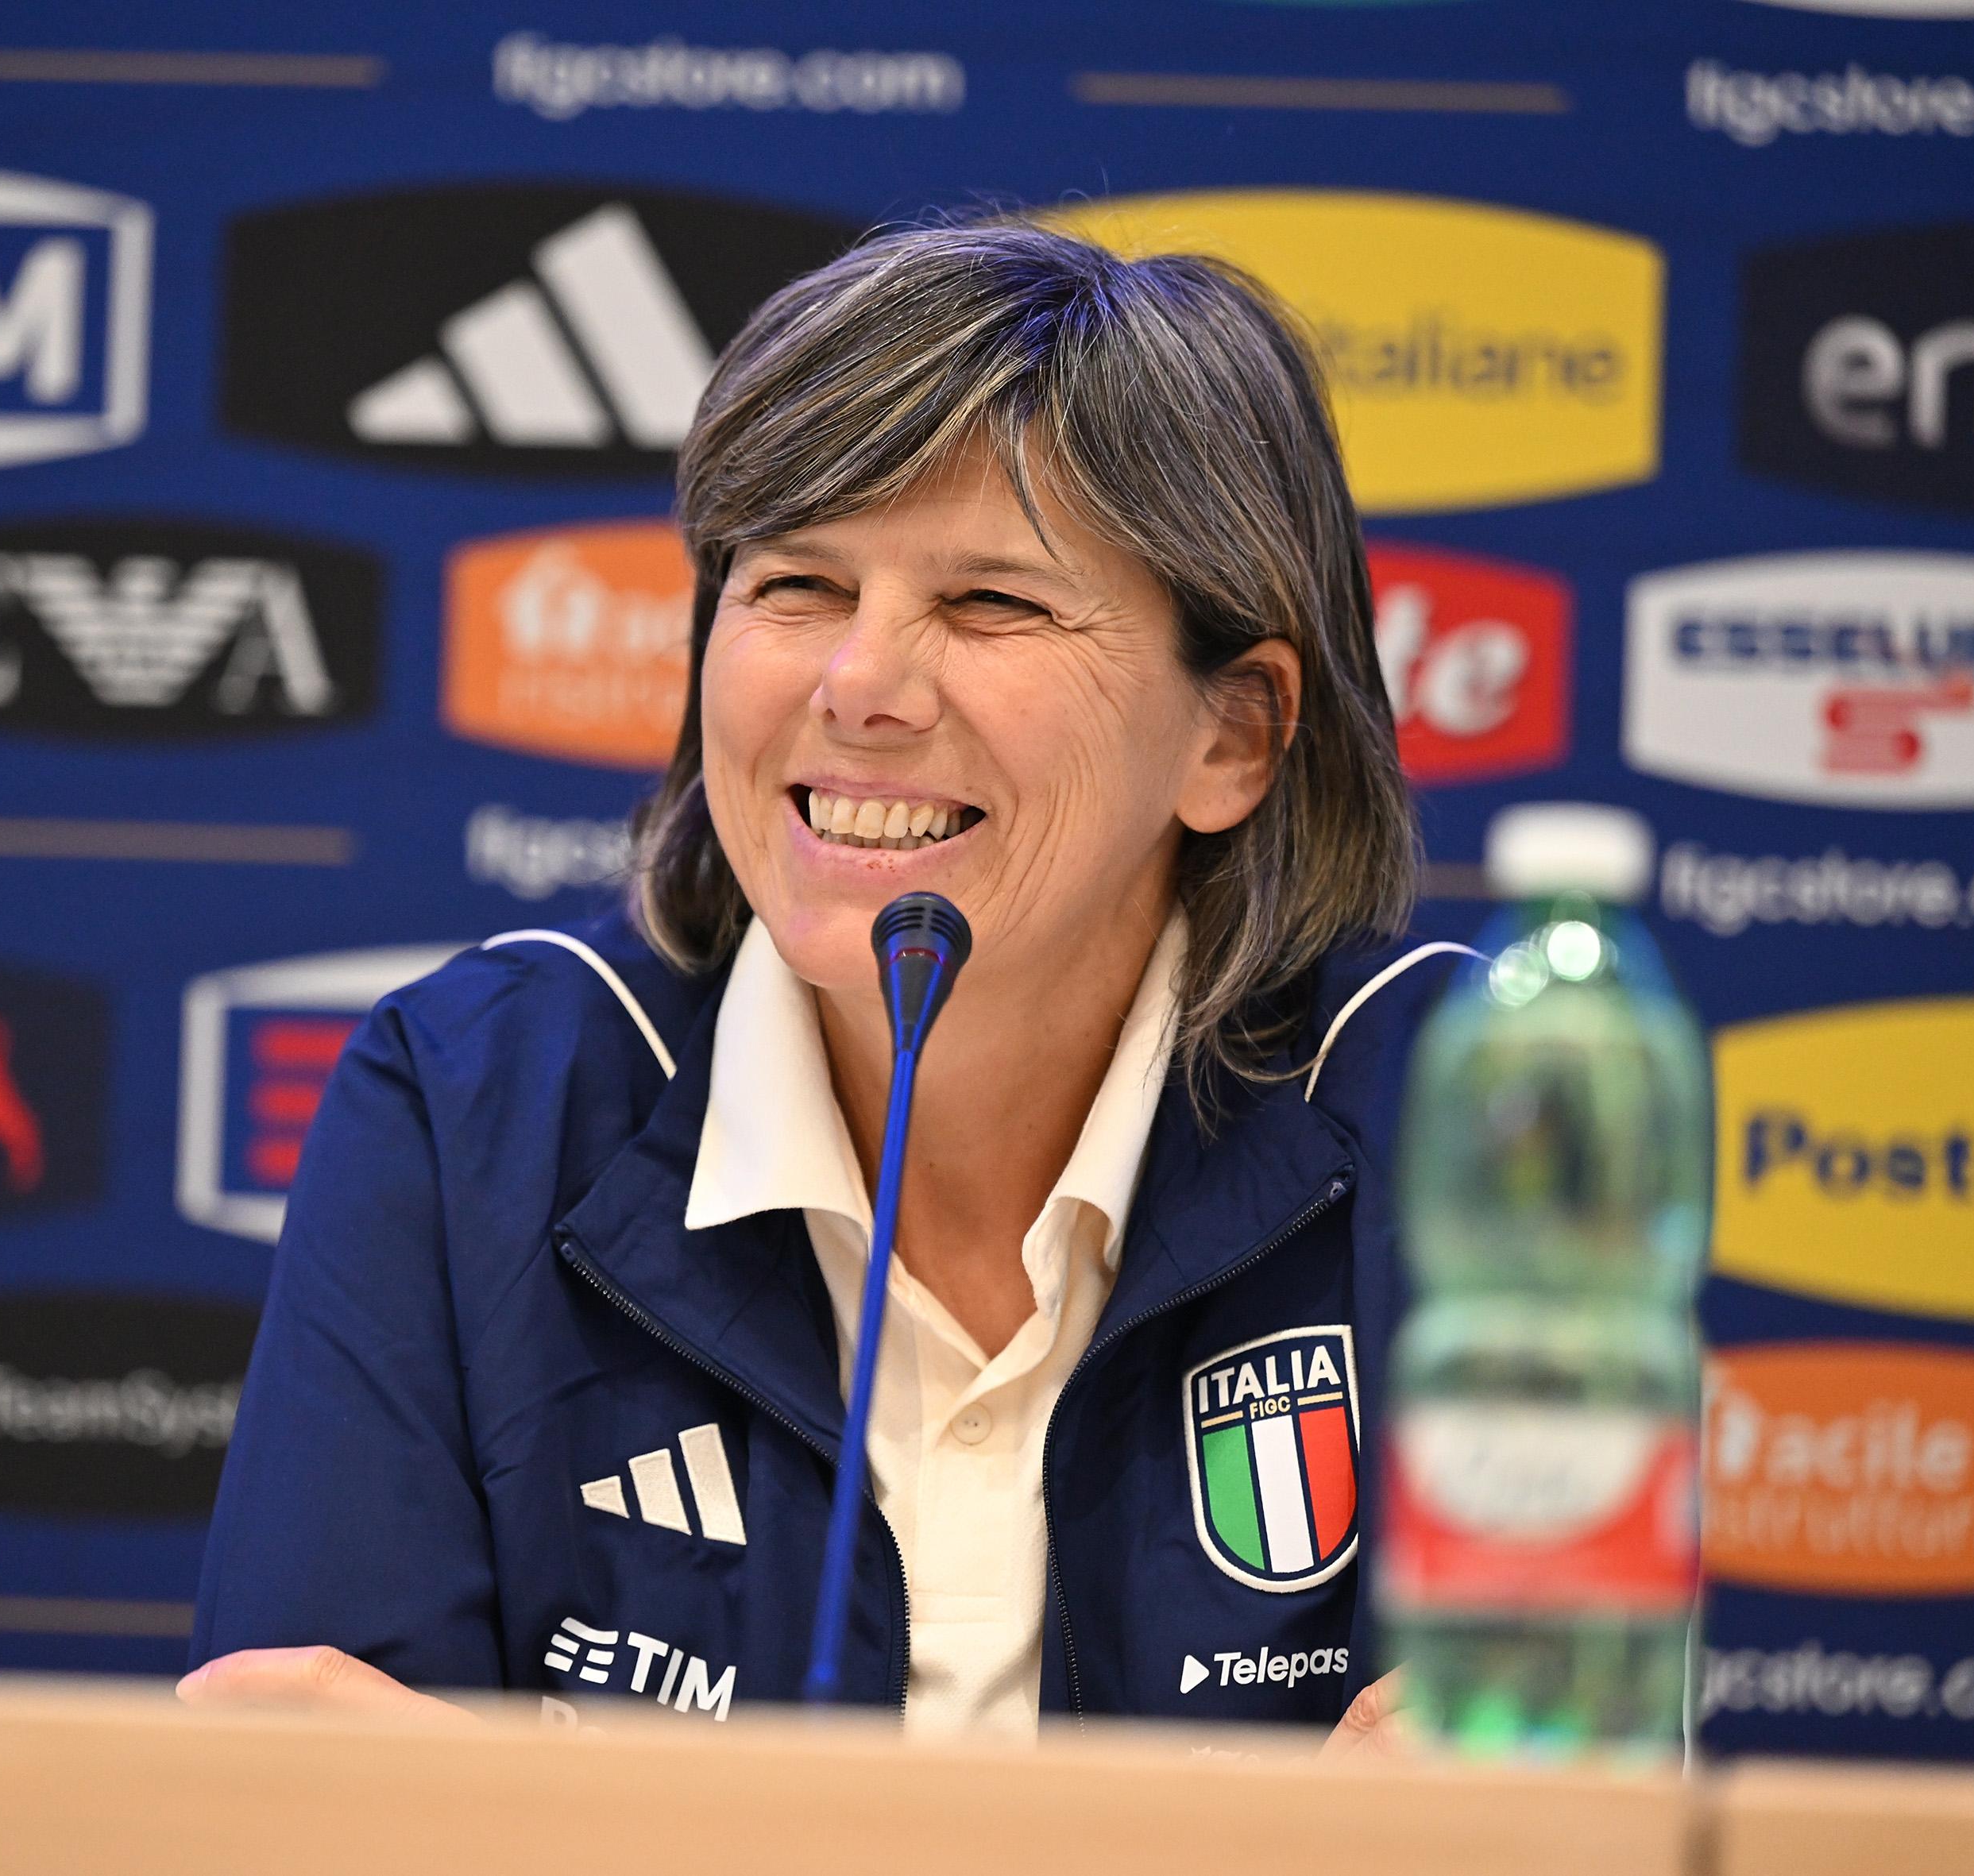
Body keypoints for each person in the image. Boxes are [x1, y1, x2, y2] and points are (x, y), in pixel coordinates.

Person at [181, 219, 1452, 1745]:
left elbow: (1527, 1817)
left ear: (1232, 734)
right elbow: (306, 1792)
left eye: (993, 603)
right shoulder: (475, 1107)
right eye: (794, 584)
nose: (859, 685)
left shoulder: (1463, 1115)